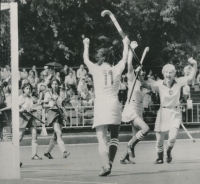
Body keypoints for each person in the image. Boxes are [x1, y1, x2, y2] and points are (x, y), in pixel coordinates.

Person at [83, 36, 129, 176]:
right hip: (114, 103)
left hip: (101, 104)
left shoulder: (95, 69)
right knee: (114, 137)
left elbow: (85, 59)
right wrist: (125, 44)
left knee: (102, 138)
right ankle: (109, 163)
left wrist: (86, 44)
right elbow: (124, 58)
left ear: (99, 58)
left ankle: (105, 165)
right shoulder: (116, 69)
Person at [139, 58, 197, 164]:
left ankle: (169, 151)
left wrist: (195, 64)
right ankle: (160, 158)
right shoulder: (159, 84)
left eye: (171, 72)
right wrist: (139, 75)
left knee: (172, 138)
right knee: (159, 140)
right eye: (166, 72)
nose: (168, 74)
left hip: (175, 113)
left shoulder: (179, 82)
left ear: (174, 73)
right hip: (163, 113)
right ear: (163, 73)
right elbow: (145, 85)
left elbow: (191, 77)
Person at [120, 41, 150, 164]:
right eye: (140, 70)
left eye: (143, 71)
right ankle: (129, 145)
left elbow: (144, 83)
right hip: (131, 109)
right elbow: (128, 64)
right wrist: (131, 49)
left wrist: (140, 75)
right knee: (146, 129)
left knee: (135, 136)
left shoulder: (143, 84)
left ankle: (124, 157)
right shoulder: (132, 79)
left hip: (139, 110)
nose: (142, 72)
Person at [43, 78, 70, 159]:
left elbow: (62, 104)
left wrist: (64, 112)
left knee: (55, 135)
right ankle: (64, 152)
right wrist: (50, 104)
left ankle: (47, 152)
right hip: (52, 113)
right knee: (59, 132)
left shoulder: (61, 93)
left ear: (58, 85)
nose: (55, 85)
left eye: (56, 84)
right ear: (51, 85)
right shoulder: (48, 94)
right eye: (53, 84)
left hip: (59, 113)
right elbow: (43, 105)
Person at [19, 83, 42, 165]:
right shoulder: (21, 98)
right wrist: (23, 110)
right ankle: (14, 155)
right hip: (22, 117)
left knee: (35, 134)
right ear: (23, 89)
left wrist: (35, 109)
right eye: (27, 88)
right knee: (19, 137)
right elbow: (17, 109)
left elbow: (33, 106)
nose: (28, 90)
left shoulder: (30, 98)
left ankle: (34, 155)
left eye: (29, 88)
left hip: (30, 117)